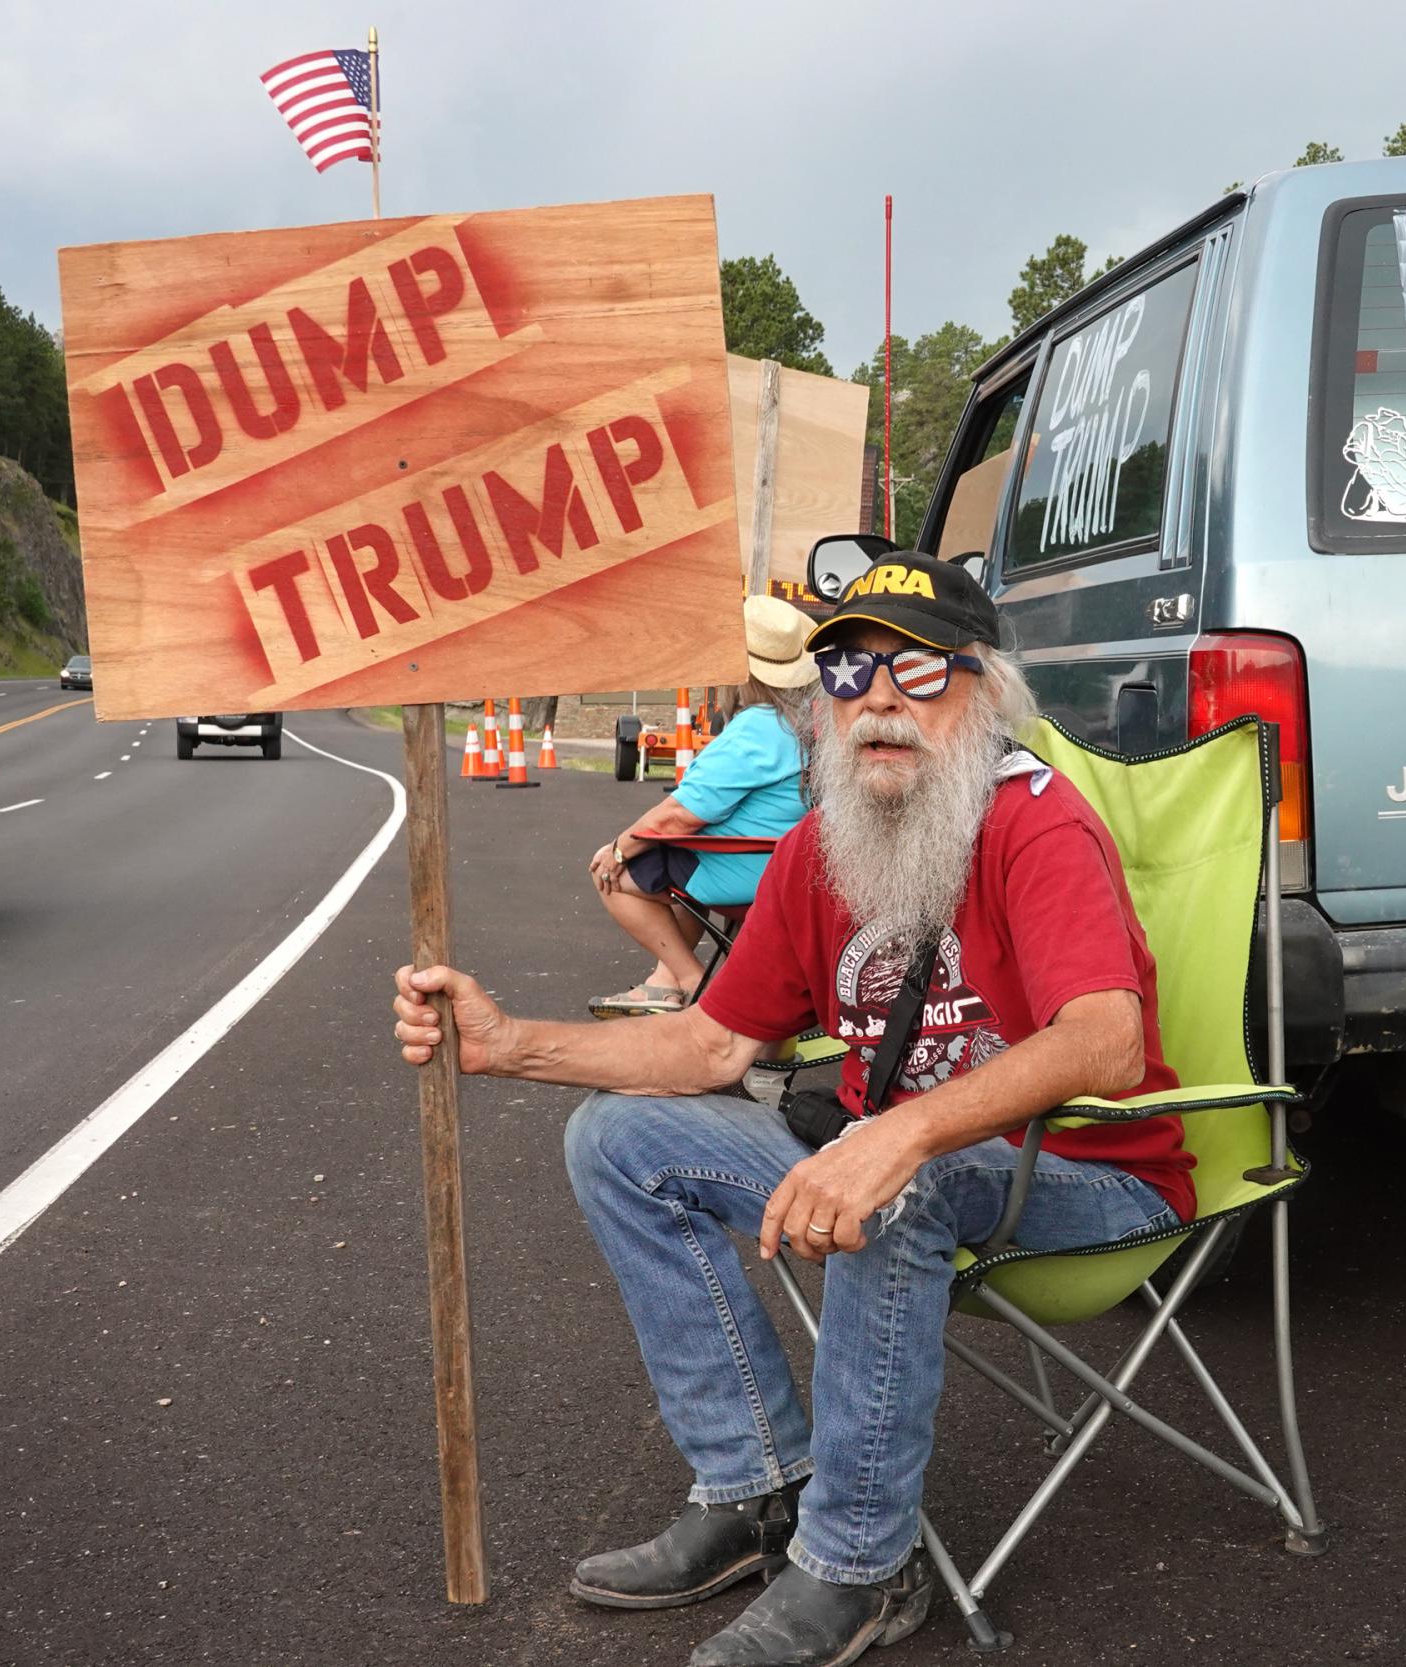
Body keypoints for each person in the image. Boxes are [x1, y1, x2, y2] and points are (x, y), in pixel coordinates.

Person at [392, 551, 1193, 1667]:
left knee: (894, 1183)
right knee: (617, 1138)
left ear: (986, 691)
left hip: (1088, 1174)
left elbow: (1104, 1037)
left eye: (919, 670)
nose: (878, 699)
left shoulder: (1035, 823)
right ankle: (758, 1484)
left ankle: (863, 1566)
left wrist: (899, 1133)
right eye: (848, 670)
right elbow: (710, 1045)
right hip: (896, 1165)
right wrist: (510, 1045)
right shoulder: (819, 848)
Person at [590, 594, 817, 1017]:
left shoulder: (758, 727)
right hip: (793, 865)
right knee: (674, 861)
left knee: (613, 874)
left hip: (749, 871)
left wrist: (619, 848)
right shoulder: (813, 722)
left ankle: (694, 984)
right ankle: (662, 984)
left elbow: (679, 815)